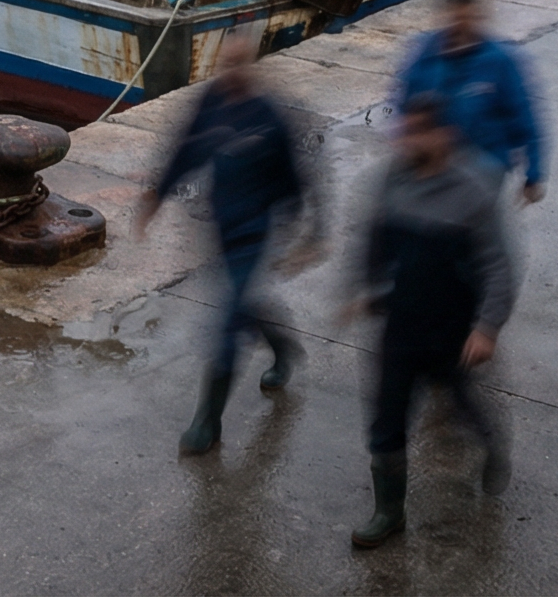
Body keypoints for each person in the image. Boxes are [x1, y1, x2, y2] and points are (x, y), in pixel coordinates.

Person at [343, 92, 515, 549]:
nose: (409, 140)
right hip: (399, 327)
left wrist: (487, 327)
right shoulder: (392, 182)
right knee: (386, 420)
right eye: (406, 131)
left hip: (451, 331)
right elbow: (374, 245)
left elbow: (499, 265)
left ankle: (490, 440)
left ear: (444, 135)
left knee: (459, 403)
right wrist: (363, 290)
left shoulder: (473, 191)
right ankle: (389, 513)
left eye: (420, 131)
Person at [140, 32, 322, 456]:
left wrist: (310, 236)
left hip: (256, 233)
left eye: (239, 65)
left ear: (251, 66)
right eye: (226, 66)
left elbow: (299, 180)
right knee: (243, 305)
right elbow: (185, 151)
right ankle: (283, 348)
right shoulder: (212, 103)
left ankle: (208, 421)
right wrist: (156, 197)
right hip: (220, 226)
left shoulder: (270, 117)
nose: (231, 74)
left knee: (226, 324)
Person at [391, 0, 548, 205]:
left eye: (467, 21)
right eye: (455, 21)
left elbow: (525, 119)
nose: (460, 29)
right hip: (436, 165)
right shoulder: (423, 55)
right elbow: (398, 102)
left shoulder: (500, 62)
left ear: (479, 20)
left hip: (485, 169)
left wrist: (533, 175)